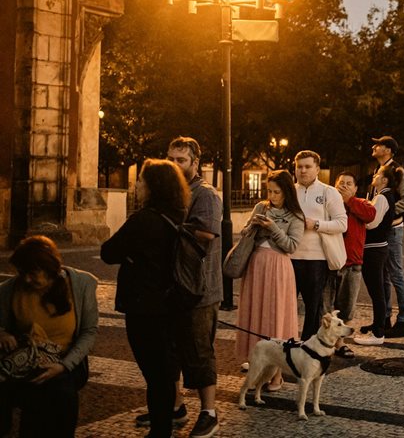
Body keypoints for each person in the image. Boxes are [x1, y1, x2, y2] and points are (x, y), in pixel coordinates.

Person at [102, 158, 189, 438]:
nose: (137, 185)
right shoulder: (178, 215)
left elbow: (108, 252)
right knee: (164, 371)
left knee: (154, 374)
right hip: (171, 303)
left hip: (144, 306)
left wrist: (132, 256)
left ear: (153, 186)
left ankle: (160, 430)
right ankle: (163, 426)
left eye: (141, 180)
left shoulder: (144, 220)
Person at [0, 236, 98, 438]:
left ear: (50, 268)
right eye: (22, 272)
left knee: (61, 395)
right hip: (24, 362)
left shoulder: (81, 284)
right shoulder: (9, 290)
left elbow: (88, 332)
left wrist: (63, 366)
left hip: (65, 362)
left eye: (33, 273)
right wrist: (2, 333)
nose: (26, 279)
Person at [165, 137, 223, 438]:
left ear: (195, 163)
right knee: (170, 350)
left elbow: (207, 233)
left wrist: (167, 227)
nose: (175, 165)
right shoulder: (171, 193)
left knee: (200, 352)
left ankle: (209, 413)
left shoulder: (205, 194)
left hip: (201, 289)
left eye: (181, 160)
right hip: (173, 286)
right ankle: (175, 407)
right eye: (171, 159)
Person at [234, 170, 302, 391]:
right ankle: (256, 369)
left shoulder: (295, 215)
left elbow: (291, 246)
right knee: (255, 312)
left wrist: (273, 228)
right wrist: (252, 226)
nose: (271, 196)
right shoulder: (261, 207)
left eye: (276, 192)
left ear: (287, 192)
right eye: (269, 191)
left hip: (278, 267)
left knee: (276, 316)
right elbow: (244, 233)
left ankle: (277, 375)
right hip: (256, 264)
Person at [292, 150, 348, 341]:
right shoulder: (289, 191)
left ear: (317, 169)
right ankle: (286, 344)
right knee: (286, 305)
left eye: (307, 166)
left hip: (317, 259)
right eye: (299, 167)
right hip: (290, 257)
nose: (303, 171)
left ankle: (308, 345)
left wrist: (316, 224)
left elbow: (342, 224)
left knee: (313, 308)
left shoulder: (328, 192)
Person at [371, 136, 404, 338]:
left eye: (378, 144)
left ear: (388, 150)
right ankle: (384, 318)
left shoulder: (397, 171)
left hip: (393, 228)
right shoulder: (378, 169)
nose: (374, 147)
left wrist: (387, 212)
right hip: (381, 229)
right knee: (383, 275)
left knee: (396, 273)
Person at [328, 172, 376, 357]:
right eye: (341, 183)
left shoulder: (361, 203)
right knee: (326, 306)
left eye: (349, 183)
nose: (344, 186)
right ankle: (324, 343)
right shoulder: (329, 203)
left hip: (352, 264)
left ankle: (340, 343)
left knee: (346, 307)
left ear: (355, 188)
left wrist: (349, 200)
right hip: (329, 262)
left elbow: (370, 215)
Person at [354, 165, 400, 346]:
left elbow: (372, 223)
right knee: (378, 289)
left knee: (376, 291)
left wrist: (360, 216)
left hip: (374, 248)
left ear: (385, 180)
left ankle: (378, 332)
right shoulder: (383, 196)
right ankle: (378, 324)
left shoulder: (382, 197)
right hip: (378, 247)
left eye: (378, 174)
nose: (374, 176)